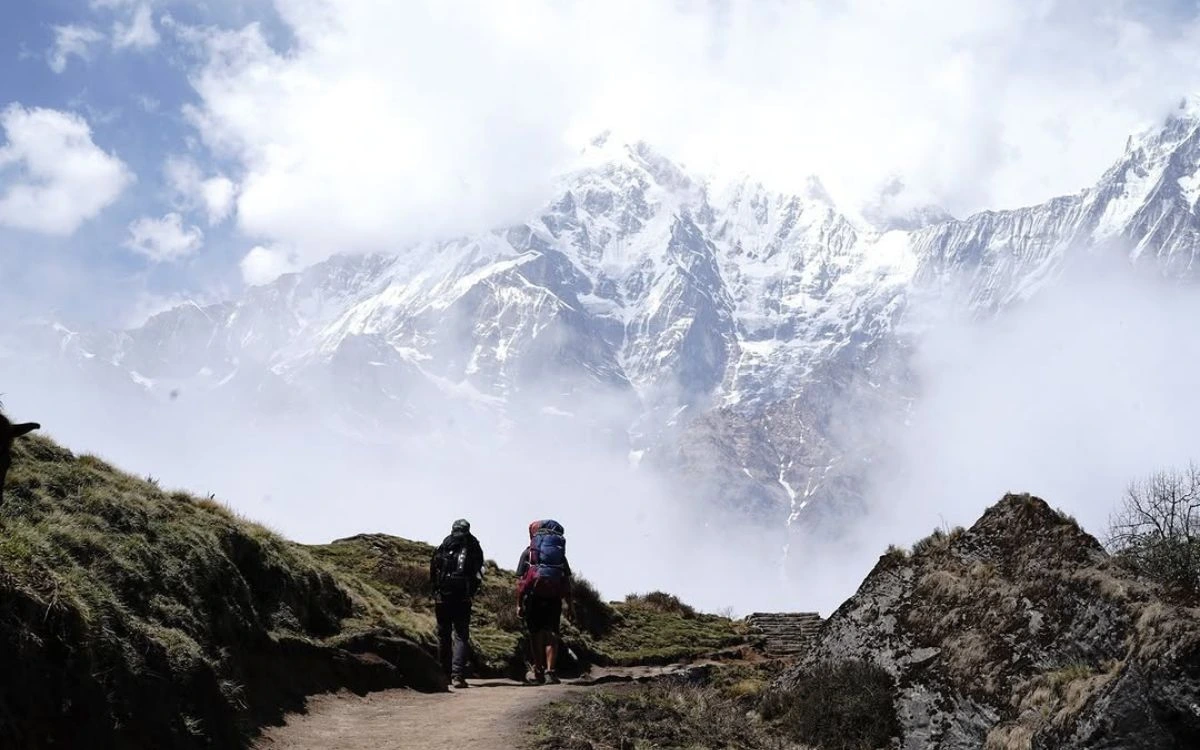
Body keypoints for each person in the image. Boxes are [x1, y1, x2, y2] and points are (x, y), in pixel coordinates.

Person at [429, 518, 484, 689]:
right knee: (460, 635)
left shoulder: (445, 544)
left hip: (442, 596)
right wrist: (471, 592)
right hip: (462, 597)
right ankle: (458, 676)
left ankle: (444, 674)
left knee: (444, 635)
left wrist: (435, 590)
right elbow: (479, 571)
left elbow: (433, 568)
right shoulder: (474, 546)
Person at [516, 519, 572, 685]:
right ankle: (550, 672)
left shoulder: (528, 553)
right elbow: (566, 581)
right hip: (554, 598)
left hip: (534, 597)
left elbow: (520, 582)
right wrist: (570, 605)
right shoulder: (559, 555)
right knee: (552, 633)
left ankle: (538, 670)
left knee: (536, 633)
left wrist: (518, 604)